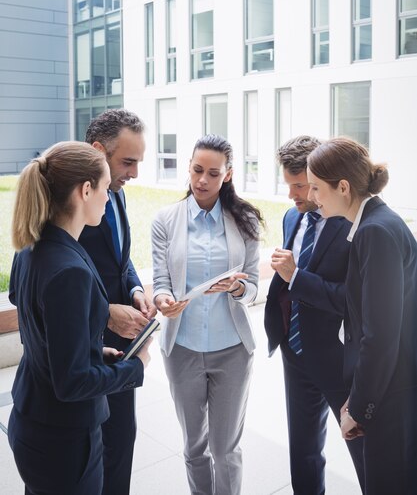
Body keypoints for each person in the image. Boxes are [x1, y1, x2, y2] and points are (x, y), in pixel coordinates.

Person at [8, 141, 151, 495]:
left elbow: (40, 325)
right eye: (104, 189)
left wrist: (92, 350)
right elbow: (71, 384)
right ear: (85, 190)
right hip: (63, 439)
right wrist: (137, 367)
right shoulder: (69, 270)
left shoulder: (32, 248)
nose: (108, 197)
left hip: (34, 419)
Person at [152, 134, 263, 495]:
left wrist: (236, 288)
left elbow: (253, 288)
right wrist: (164, 299)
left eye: (212, 173)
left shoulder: (244, 220)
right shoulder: (166, 220)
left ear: (227, 175)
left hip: (231, 349)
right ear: (188, 167)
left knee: (224, 448)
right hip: (182, 348)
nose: (202, 180)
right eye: (197, 170)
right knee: (194, 447)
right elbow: (160, 280)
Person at [307, 137, 417, 495]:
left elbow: (379, 334)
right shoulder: (375, 224)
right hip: (390, 386)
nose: (311, 197)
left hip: (392, 393)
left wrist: (360, 406)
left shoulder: (375, 232)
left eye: (315, 187)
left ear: (343, 187)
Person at [264, 135, 364, 495]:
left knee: (363, 449)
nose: (292, 195)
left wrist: (297, 277)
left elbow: (353, 301)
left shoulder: (354, 226)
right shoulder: (293, 216)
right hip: (295, 352)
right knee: (303, 452)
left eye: (300, 186)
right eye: (288, 185)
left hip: (338, 358)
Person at [80, 108, 157, 495]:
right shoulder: (66, 206)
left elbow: (121, 262)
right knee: (86, 454)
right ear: (98, 151)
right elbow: (51, 287)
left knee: (121, 442)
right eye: (128, 162)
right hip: (82, 350)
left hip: (124, 349)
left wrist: (136, 291)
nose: (135, 173)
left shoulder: (116, 194)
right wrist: (107, 314)